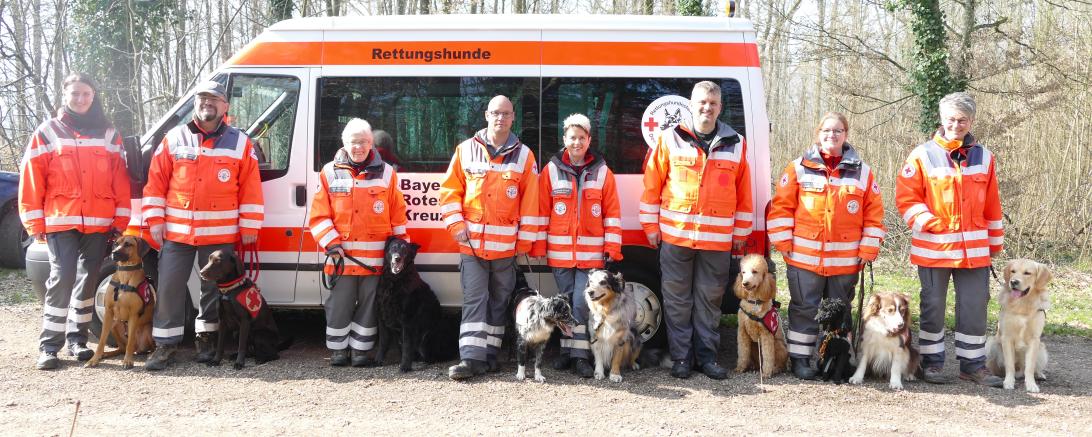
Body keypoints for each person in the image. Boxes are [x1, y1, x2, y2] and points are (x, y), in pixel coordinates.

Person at [141, 80, 264, 370]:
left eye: (214, 99)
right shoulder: (174, 137)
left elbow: (250, 188)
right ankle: (165, 346)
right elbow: (156, 182)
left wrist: (250, 225)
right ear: (195, 103)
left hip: (219, 233)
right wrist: (155, 219)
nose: (208, 103)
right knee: (170, 286)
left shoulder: (240, 142)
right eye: (203, 98)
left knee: (211, 290)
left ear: (225, 107)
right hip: (178, 232)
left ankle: (206, 340)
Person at [640, 81, 753, 380]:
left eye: (712, 103)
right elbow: (652, 187)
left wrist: (741, 234)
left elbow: (744, 193)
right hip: (676, 235)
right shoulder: (669, 139)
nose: (707, 107)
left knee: (709, 302)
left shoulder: (737, 143)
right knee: (677, 302)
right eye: (702, 102)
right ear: (691, 105)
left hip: (716, 241)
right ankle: (681, 359)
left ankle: (707, 358)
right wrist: (650, 225)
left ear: (720, 107)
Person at [18, 73, 131, 370]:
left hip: (99, 222)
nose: (81, 99)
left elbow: (120, 178)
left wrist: (121, 219)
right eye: (75, 94)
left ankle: (78, 340)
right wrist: (34, 222)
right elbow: (32, 179)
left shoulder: (108, 133)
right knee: (62, 276)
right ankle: (49, 346)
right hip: (60, 220)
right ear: (65, 96)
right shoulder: (47, 132)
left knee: (88, 279)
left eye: (86, 94)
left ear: (94, 97)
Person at [896, 91, 1005, 387]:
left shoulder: (985, 157)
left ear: (971, 121)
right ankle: (931, 365)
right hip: (935, 249)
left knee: (974, 308)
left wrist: (994, 244)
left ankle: (973, 366)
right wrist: (927, 221)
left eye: (962, 120)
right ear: (942, 120)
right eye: (951, 119)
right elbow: (906, 199)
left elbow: (992, 205)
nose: (956, 125)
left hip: (974, 253)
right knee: (933, 307)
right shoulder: (922, 154)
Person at [766, 112, 886, 380]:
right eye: (827, 131)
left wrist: (868, 250)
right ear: (818, 134)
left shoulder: (863, 172)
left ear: (846, 135)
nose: (832, 135)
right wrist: (783, 241)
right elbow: (781, 208)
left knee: (839, 312)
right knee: (804, 309)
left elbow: (874, 215)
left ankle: (834, 360)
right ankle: (800, 360)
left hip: (845, 262)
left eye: (838, 131)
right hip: (804, 258)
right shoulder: (797, 167)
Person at [440, 95, 540, 380]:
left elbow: (530, 203)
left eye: (506, 114)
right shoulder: (465, 150)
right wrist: (455, 224)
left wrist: (524, 242)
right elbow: (449, 192)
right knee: (475, 299)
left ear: (513, 118)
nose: (501, 118)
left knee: (499, 301)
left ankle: (491, 356)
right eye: (496, 113)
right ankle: (471, 359)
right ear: (486, 115)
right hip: (471, 245)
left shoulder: (525, 156)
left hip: (506, 249)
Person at [309, 118, 408, 367]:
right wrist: (332, 244)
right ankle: (338, 350)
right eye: (354, 142)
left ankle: (360, 351)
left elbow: (398, 214)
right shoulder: (329, 172)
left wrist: (401, 251)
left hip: (374, 261)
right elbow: (319, 216)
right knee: (338, 305)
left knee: (369, 306)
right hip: (341, 258)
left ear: (371, 143)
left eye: (364, 142)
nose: (359, 147)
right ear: (345, 144)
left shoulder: (387, 173)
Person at [530, 113, 623, 378]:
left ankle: (580, 357)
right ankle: (566, 353)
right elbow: (541, 211)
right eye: (572, 137)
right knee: (567, 304)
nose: (577, 142)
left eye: (582, 138)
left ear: (589, 139)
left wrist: (612, 247)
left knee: (582, 306)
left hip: (592, 256)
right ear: (565, 139)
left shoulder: (603, 171)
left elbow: (612, 213)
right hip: (560, 255)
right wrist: (537, 246)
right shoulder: (551, 170)